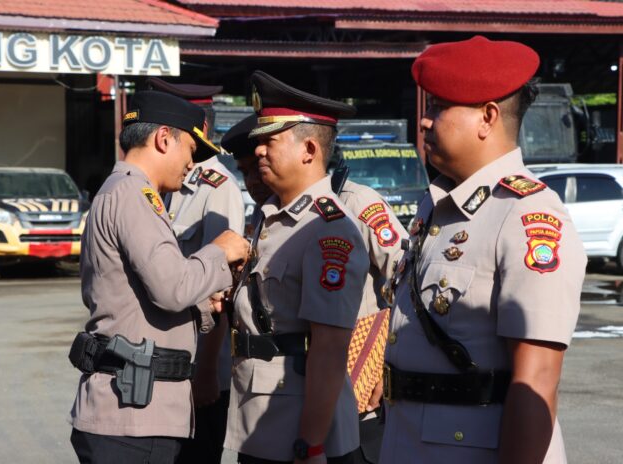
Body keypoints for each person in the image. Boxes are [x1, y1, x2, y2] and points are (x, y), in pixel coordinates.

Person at [380, 35, 586, 463]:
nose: (424, 121)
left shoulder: (527, 215)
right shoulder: (437, 205)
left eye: (438, 106)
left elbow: (538, 382)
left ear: (487, 117)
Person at [68, 90, 250, 464]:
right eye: (190, 151)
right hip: (133, 418)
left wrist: (203, 305)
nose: (191, 164)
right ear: (164, 139)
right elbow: (171, 288)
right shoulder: (135, 194)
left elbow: (140, 298)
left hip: (136, 410)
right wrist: (223, 249)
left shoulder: (125, 191)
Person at [222, 113, 407, 464]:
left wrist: (389, 361)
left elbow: (404, 282)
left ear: (308, 150)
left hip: (352, 385)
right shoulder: (270, 216)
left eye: (267, 149)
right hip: (279, 402)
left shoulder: (353, 205)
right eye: (244, 169)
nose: (252, 177)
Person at [148, 77, 245, 464]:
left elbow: (222, 288)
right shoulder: (156, 185)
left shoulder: (217, 188)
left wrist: (207, 371)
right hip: (158, 359)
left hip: (199, 366)